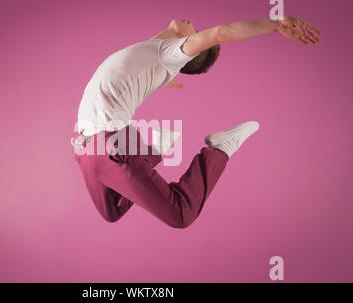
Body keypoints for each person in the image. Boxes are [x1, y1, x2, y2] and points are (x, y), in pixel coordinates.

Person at [72, 17, 321, 228]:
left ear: (189, 48)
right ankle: (155, 151)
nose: (192, 23)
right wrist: (172, 34)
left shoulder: (167, 54)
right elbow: (158, 41)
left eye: (196, 33)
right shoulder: (152, 50)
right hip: (88, 147)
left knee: (180, 214)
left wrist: (275, 24)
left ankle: (221, 148)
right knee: (112, 212)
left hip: (111, 144)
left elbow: (221, 33)